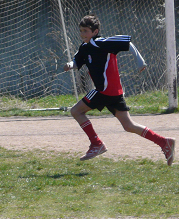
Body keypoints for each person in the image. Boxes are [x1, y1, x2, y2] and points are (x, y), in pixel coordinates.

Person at [63, 14, 175, 165]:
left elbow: (127, 42)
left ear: (95, 32)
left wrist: (140, 61)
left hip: (104, 90)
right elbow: (77, 61)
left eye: (85, 31)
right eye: (81, 31)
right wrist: (70, 65)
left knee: (76, 111)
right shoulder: (84, 47)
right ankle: (164, 142)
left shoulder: (101, 43)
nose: (82, 34)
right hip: (114, 92)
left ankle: (96, 144)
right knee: (129, 126)